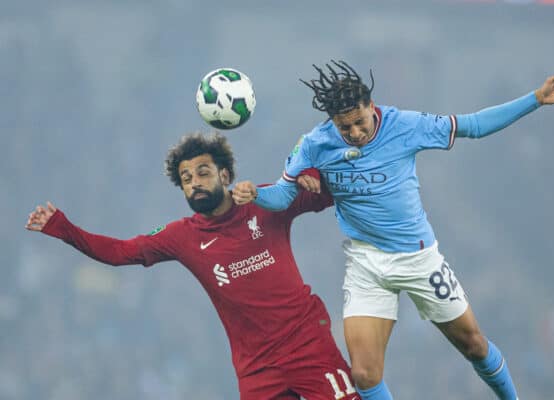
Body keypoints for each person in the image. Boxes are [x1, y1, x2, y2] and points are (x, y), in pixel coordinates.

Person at [231, 60, 554, 400]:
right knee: (364, 375)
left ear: (371, 106)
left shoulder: (405, 125)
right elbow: (282, 196)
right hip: (366, 263)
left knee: (474, 346)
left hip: (418, 257)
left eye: (358, 122)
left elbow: (472, 125)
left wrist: (535, 99)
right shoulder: (314, 144)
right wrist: (256, 194)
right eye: (344, 127)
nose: (354, 133)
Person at [25, 132, 363, 400]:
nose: (195, 183)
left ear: (225, 174)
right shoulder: (182, 236)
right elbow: (120, 252)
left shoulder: (265, 201)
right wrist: (63, 228)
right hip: (257, 367)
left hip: (306, 343)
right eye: (186, 178)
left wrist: (312, 174)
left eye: (202, 172)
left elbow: (329, 191)